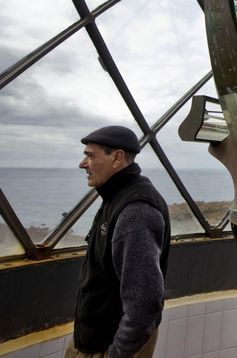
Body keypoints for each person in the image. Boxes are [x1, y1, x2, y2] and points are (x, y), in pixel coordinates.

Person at [66, 126, 171, 358]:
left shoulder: (136, 210)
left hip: (110, 346)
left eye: (91, 156)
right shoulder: (116, 197)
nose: (83, 164)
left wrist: (117, 353)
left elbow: (144, 304)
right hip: (95, 340)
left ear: (117, 158)